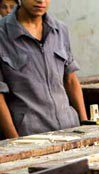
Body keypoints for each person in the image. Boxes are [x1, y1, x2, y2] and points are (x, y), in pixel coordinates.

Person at [0, 0, 86, 139]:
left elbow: (70, 80)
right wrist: (14, 140)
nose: (41, 1)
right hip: (30, 136)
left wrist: (85, 124)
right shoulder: (3, 35)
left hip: (70, 130)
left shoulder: (60, 30)